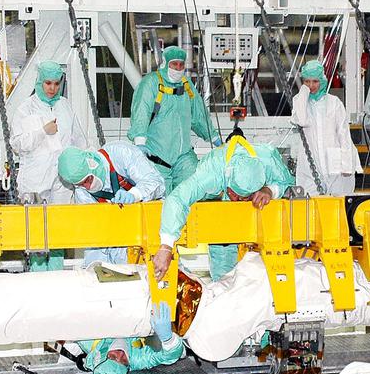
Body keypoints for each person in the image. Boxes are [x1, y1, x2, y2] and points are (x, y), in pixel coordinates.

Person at [151, 135, 294, 280]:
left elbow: (287, 182)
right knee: (223, 264)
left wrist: (270, 190)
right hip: (216, 202)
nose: (239, 202)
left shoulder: (267, 159)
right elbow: (177, 199)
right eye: (236, 196)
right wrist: (166, 246)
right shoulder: (211, 172)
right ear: (227, 184)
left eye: (247, 198)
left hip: (255, 204)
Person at [10, 60, 85, 270]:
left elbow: (78, 138)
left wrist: (89, 160)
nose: (52, 89)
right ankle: (38, 275)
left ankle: (57, 274)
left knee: (58, 227)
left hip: (62, 178)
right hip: (35, 178)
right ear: (40, 82)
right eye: (48, 83)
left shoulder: (65, 106)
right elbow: (17, 144)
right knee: (36, 231)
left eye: (56, 84)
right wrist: (42, 132)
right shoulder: (26, 109)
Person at [129, 45, 222, 192]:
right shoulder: (151, 83)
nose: (178, 68)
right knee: (159, 200)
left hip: (183, 157)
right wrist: (139, 142)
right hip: (156, 156)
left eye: (181, 65)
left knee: (194, 190)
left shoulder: (187, 86)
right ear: (165, 64)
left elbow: (198, 115)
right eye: (174, 64)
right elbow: (141, 111)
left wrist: (214, 138)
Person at [57, 143, 167, 265]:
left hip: (150, 223)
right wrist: (95, 267)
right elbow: (96, 234)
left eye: (88, 180)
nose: (87, 186)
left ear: (92, 163)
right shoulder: (83, 194)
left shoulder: (121, 153)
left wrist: (134, 194)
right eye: (81, 184)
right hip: (121, 236)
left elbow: (156, 183)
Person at [290, 60, 360, 196]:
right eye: (307, 82)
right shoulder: (299, 101)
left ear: (322, 80)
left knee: (339, 206)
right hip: (310, 165)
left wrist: (347, 163)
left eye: (315, 81)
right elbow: (302, 121)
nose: (311, 86)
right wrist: (303, 93)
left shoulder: (334, 103)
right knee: (311, 207)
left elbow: (343, 134)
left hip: (334, 164)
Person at [83, 302, 185, 374]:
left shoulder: (89, 342)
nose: (121, 354)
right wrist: (167, 338)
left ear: (103, 356)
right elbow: (169, 356)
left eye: (113, 357)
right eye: (123, 361)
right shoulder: (138, 359)